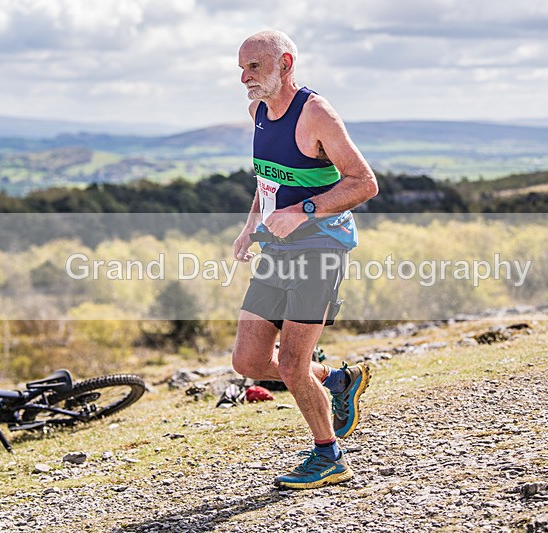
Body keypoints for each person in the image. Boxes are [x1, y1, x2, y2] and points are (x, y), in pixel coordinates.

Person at [231, 30, 379, 489]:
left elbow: (365, 183)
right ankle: (335, 381)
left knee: (293, 364)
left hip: (321, 249)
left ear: (286, 64)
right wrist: (251, 224)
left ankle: (329, 455)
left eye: (254, 67)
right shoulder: (258, 111)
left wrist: (304, 210)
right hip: (277, 250)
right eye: (241, 67)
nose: (244, 78)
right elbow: (268, 181)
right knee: (249, 360)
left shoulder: (316, 114)